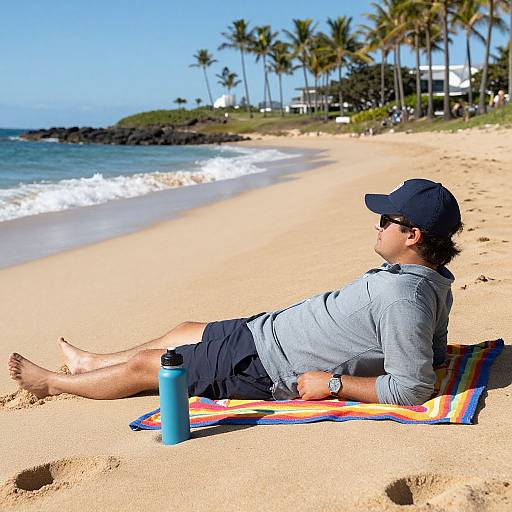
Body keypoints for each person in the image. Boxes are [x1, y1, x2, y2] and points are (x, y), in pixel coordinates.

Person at [7, 179, 463, 406]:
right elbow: (435, 352)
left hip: (266, 367)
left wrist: (335, 383)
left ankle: (51, 383)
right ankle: (91, 363)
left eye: (386, 220)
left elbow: (415, 386)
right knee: (185, 329)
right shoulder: (431, 279)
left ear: (413, 236)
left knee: (150, 367)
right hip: (267, 332)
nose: (378, 225)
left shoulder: (403, 298)